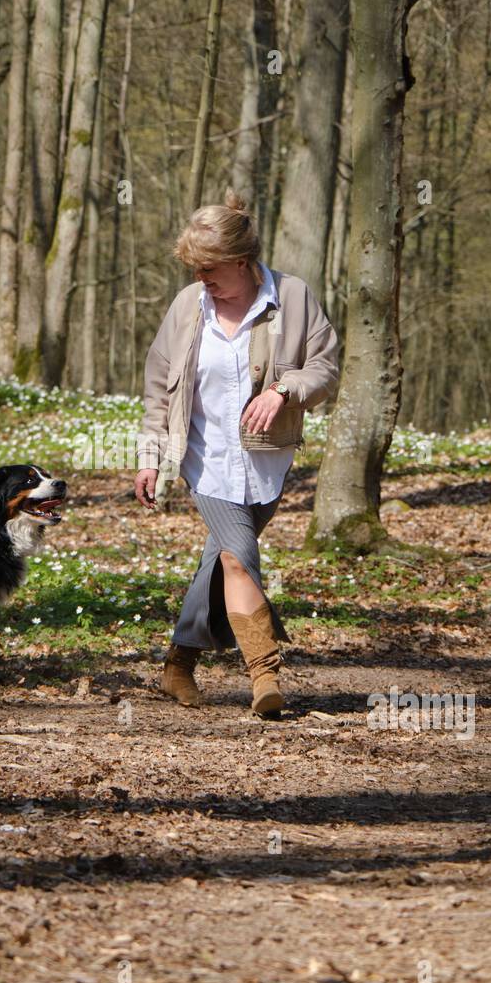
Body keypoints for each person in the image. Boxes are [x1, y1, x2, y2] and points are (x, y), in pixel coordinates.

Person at [134, 188, 339, 717]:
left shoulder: (292, 297)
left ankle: (177, 663)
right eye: (195, 270)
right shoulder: (188, 307)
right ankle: (264, 676)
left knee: (217, 563)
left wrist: (283, 389)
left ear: (244, 264)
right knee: (236, 557)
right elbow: (160, 384)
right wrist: (150, 455)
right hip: (205, 458)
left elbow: (326, 365)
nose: (201, 280)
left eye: (210, 270)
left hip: (268, 460)